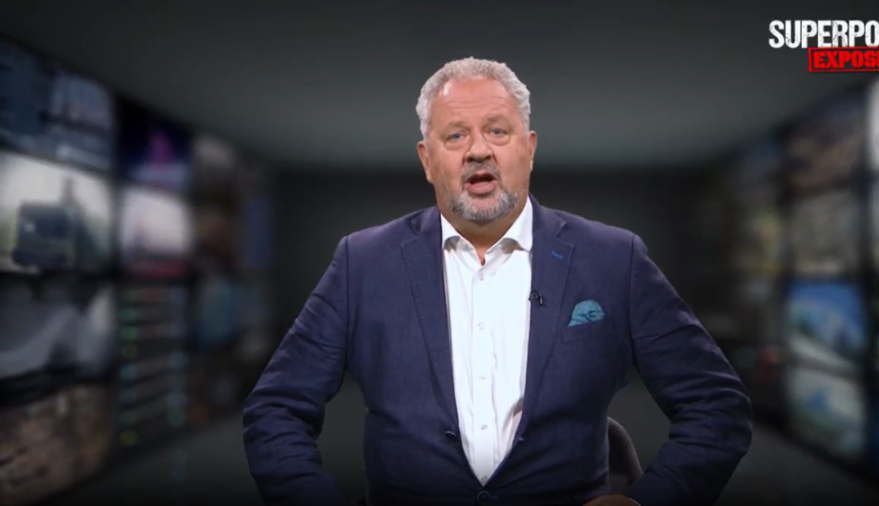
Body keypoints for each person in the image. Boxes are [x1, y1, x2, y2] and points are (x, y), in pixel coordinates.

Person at [242, 57, 753, 506]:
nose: (478, 150)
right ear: (426, 160)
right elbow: (275, 409)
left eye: (497, 131)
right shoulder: (363, 262)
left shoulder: (614, 260)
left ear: (529, 149)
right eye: (455, 135)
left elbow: (717, 405)